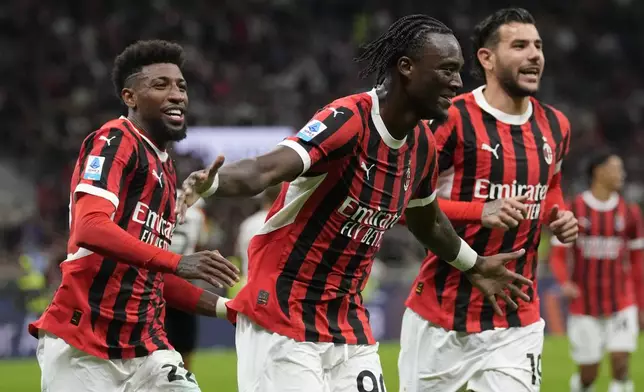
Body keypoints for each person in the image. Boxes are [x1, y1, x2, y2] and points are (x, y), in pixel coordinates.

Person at [178, 15, 532, 392]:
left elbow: (427, 221)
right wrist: (212, 183)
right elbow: (267, 168)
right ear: (407, 68)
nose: (458, 82)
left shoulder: (422, 145)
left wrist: (473, 265)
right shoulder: (349, 119)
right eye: (447, 69)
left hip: (347, 322)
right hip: (283, 314)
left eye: (459, 71)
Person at [28, 40, 239, 392]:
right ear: (130, 97)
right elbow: (90, 227)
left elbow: (152, 276)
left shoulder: (168, 170)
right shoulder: (115, 140)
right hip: (85, 346)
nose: (177, 95)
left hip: (148, 348)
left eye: (181, 86)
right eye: (161, 85)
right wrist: (176, 261)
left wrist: (231, 309)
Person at [397, 8, 579, 392]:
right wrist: (479, 211)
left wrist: (558, 214)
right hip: (441, 314)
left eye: (538, 46)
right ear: (487, 58)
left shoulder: (555, 125)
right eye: (520, 45)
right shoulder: (449, 120)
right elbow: (400, 206)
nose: (535, 55)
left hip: (517, 317)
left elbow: (552, 186)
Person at [550, 151, 644, 392]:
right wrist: (564, 282)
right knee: (589, 374)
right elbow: (558, 255)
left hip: (622, 301)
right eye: (616, 168)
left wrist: (640, 303)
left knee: (620, 361)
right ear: (598, 171)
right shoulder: (574, 208)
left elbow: (637, 262)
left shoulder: (630, 213)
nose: (621, 174)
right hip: (584, 304)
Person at [165, 197, 208, 372]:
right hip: (185, 280)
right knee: (185, 345)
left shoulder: (161, 206)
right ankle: (182, 379)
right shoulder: (197, 215)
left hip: (156, 277)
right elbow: (202, 241)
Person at [236, 184, 282, 277]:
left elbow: (239, 253)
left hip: (248, 283)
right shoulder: (281, 223)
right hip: (271, 286)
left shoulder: (248, 223)